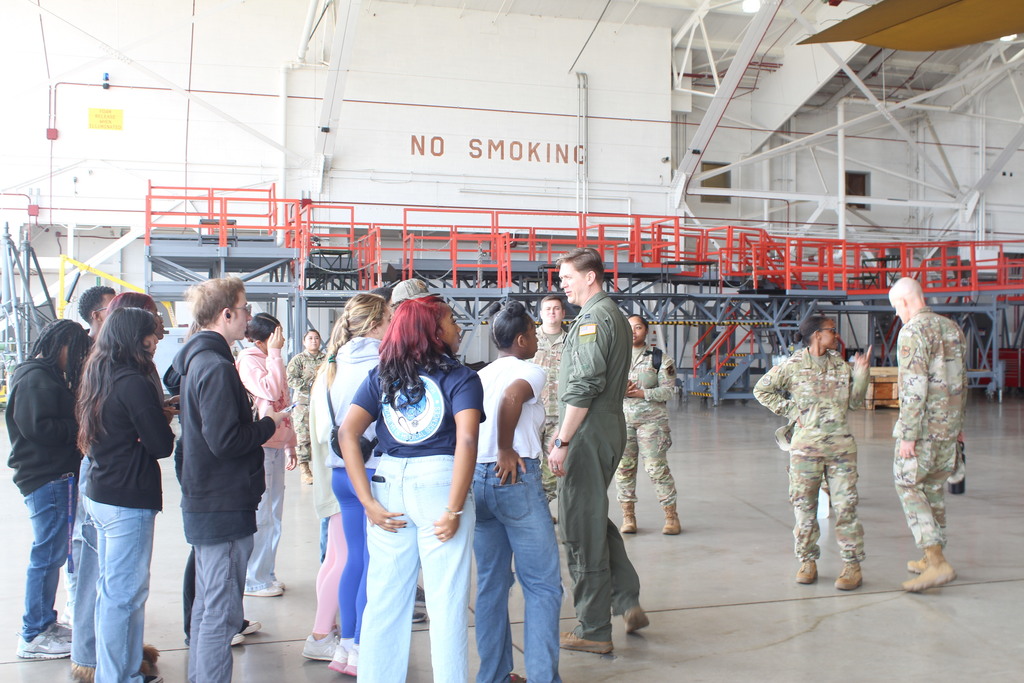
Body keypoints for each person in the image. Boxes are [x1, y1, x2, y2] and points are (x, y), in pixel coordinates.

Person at [338, 293, 482, 682]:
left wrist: (366, 499)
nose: (457, 327)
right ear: (434, 331)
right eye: (451, 320)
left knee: (385, 602)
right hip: (439, 483)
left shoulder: (383, 375)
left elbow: (347, 432)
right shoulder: (460, 377)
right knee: (446, 603)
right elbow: (467, 440)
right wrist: (453, 509)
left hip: (388, 482)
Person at [172, 277, 284, 683]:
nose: (249, 316)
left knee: (209, 606)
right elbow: (225, 440)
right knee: (221, 612)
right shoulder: (215, 366)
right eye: (245, 308)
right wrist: (268, 425)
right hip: (222, 502)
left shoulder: (198, 361)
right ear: (227, 314)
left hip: (210, 498)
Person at [547, 247, 646, 655]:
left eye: (568, 277)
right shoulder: (614, 316)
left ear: (590, 277)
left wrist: (562, 440)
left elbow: (585, 386)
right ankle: (625, 597)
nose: (563, 285)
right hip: (605, 426)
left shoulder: (592, 320)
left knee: (578, 528)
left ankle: (592, 629)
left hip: (586, 431)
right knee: (593, 517)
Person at [76, 307, 175, 682]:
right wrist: (160, 419)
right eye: (152, 333)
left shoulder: (98, 372)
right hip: (126, 499)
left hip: (102, 491)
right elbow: (161, 445)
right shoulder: (133, 381)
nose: (156, 340)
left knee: (115, 592)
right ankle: (117, 676)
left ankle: (124, 668)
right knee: (125, 596)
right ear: (136, 337)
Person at [474, 301, 562, 683]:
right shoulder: (531, 370)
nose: (538, 334)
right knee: (542, 584)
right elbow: (512, 398)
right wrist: (506, 447)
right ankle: (544, 677)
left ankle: (493, 675)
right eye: (534, 328)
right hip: (515, 476)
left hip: (477, 482)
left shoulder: (480, 375)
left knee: (492, 583)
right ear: (523, 339)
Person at [753, 315, 871, 590]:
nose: (836, 335)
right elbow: (762, 390)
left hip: (841, 449)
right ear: (817, 335)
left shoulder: (841, 366)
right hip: (806, 451)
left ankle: (852, 566)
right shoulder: (793, 366)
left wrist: (862, 373)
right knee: (804, 508)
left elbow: (854, 403)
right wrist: (793, 411)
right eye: (832, 330)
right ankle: (807, 561)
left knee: (846, 508)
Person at [7, 320, 91, 660]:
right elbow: (39, 429)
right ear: (61, 346)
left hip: (54, 476)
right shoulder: (35, 379)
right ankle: (34, 632)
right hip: (47, 478)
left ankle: (43, 622)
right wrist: (81, 424)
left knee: (52, 554)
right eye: (76, 352)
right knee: (47, 556)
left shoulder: (45, 377)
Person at [322, 293, 392, 675]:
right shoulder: (381, 362)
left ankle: (345, 645)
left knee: (353, 558)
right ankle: (365, 646)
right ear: (377, 323)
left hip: (339, 472)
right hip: (370, 469)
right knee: (374, 562)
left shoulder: (333, 363)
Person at [888, 277, 968, 592]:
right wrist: (959, 426)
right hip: (948, 427)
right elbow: (962, 380)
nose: (897, 314)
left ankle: (936, 562)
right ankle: (931, 555)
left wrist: (908, 434)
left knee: (907, 484)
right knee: (932, 487)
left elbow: (913, 388)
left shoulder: (912, 332)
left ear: (906, 301)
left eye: (896, 307)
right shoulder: (952, 328)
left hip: (922, 431)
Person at [236, 313, 298, 598]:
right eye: (278, 335)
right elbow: (271, 392)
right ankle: (253, 579)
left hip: (276, 443)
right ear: (265, 338)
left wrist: (290, 443)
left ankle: (265, 573)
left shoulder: (272, 358)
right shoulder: (250, 360)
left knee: (274, 514)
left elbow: (285, 404)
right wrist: (274, 354)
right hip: (260, 445)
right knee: (262, 515)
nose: (282, 340)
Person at [300, 318, 348, 664]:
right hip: (342, 474)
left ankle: (324, 628)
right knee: (343, 559)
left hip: (329, 475)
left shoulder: (327, 373)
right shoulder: (341, 375)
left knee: (333, 557)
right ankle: (320, 634)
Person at [616, 315, 681, 536]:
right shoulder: (614, 358)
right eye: (629, 328)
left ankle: (671, 516)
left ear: (647, 331)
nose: (633, 331)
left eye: (638, 327)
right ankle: (628, 516)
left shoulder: (659, 359)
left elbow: (670, 391)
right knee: (624, 470)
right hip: (621, 422)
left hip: (652, 423)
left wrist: (641, 393)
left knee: (656, 470)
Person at [533, 294, 567, 503]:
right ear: (541, 313)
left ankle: (544, 508)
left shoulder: (571, 341)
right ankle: (537, 509)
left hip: (561, 415)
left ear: (563, 313)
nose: (552, 312)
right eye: (548, 309)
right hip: (534, 413)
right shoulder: (528, 340)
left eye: (556, 308)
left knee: (554, 467)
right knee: (529, 464)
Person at [287, 329, 325, 486]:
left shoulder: (327, 358)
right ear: (304, 342)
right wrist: (307, 385)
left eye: (316, 338)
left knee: (321, 435)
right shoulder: (299, 360)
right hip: (303, 404)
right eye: (310, 338)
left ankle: (321, 469)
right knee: (303, 436)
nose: (314, 341)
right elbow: (290, 378)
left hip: (321, 403)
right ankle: (305, 470)